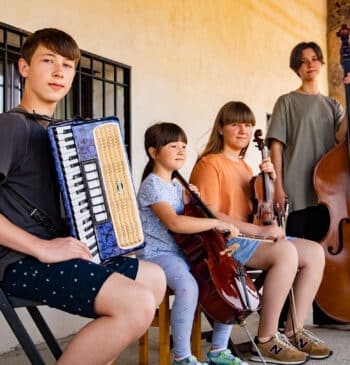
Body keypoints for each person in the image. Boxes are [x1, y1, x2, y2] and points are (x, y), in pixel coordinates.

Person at [0, 28, 166, 365]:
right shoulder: (10, 126)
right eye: (48, 61)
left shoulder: (57, 133)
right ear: (24, 68)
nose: (60, 71)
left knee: (154, 277)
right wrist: (44, 248)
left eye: (68, 65)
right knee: (136, 304)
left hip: (52, 252)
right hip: (16, 261)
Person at [190, 101, 331, 364]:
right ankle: (265, 340)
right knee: (285, 253)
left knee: (314, 252)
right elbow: (207, 214)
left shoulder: (245, 168)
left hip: (252, 238)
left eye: (248, 124)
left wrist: (272, 181)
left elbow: (264, 208)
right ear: (221, 129)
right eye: (235, 124)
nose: (243, 130)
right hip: (226, 241)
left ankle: (294, 330)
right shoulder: (210, 164)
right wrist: (259, 230)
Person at [137, 122, 248, 365]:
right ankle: (182, 357)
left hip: (183, 253)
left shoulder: (177, 185)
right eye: (173, 145)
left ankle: (219, 351)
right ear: (153, 152)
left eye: (184, 146)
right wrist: (215, 223)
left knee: (225, 283)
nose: (181, 151)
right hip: (158, 254)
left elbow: (189, 217)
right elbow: (175, 223)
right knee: (188, 286)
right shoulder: (152, 184)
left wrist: (190, 200)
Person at [265, 41, 350, 327]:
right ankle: (281, 320)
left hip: (328, 193)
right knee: (295, 257)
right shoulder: (286, 102)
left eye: (314, 59)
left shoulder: (332, 105)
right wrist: (277, 185)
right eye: (303, 61)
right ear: (296, 69)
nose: (310, 64)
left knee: (324, 254)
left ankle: (326, 313)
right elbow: (276, 144)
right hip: (298, 189)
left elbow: (340, 138)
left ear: (322, 64)